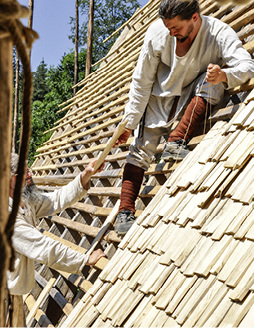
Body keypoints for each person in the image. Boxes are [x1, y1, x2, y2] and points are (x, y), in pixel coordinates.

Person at [114, 0, 254, 235]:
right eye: (168, 27)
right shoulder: (158, 33)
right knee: (140, 150)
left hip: (191, 93)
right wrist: (129, 122)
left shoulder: (218, 32)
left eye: (176, 28)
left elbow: (247, 66)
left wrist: (224, 75)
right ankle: (125, 212)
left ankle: (176, 141)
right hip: (157, 98)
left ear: (195, 18)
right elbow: (141, 81)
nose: (171, 32)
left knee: (213, 84)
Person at [6, 153, 106, 326]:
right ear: (10, 180)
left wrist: (84, 177)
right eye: (25, 173)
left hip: (12, 294)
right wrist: (84, 259)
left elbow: (54, 200)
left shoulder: (23, 199)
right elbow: (42, 247)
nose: (30, 175)